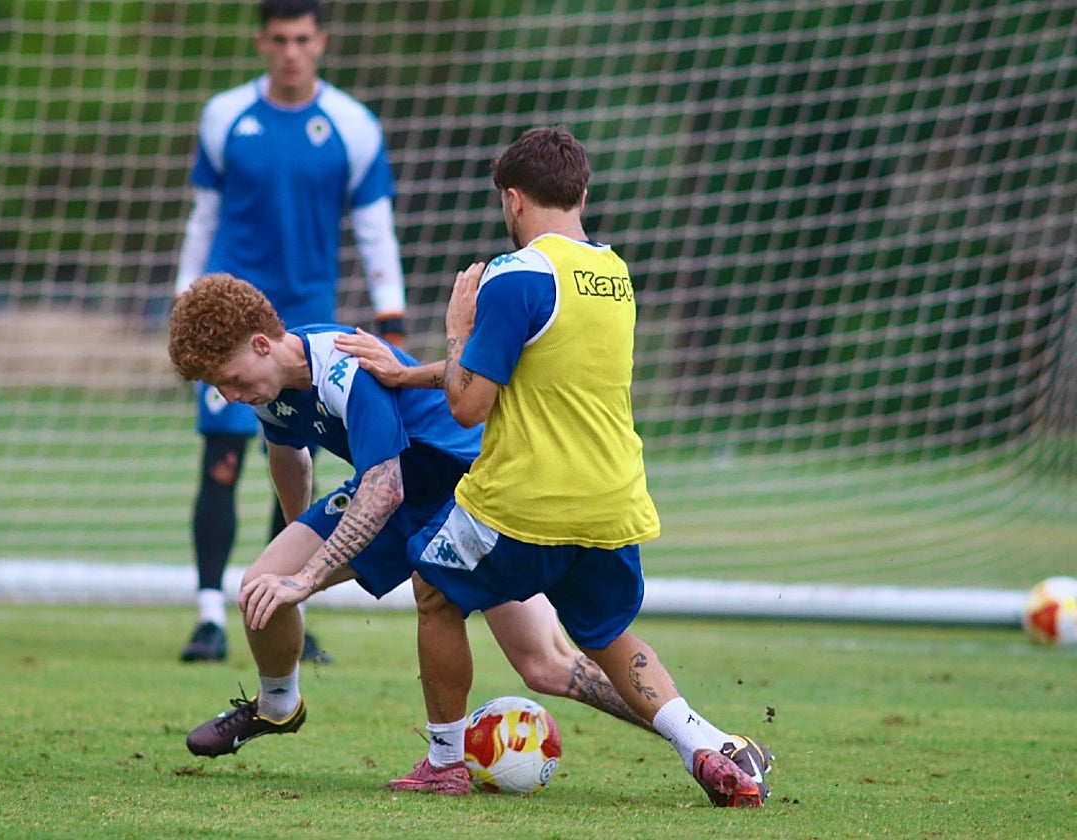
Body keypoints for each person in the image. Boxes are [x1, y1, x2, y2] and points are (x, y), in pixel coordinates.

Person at [338, 127, 773, 806]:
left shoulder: (515, 276)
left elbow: (469, 406)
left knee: (435, 590)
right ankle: (707, 751)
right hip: (611, 500)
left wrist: (457, 324)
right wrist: (410, 372)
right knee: (604, 634)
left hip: (524, 501)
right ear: (583, 193)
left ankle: (446, 760)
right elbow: (535, 372)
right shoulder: (614, 272)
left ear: (512, 199)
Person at [169, 273, 654, 791]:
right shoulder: (266, 387)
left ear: (262, 344)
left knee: (546, 667)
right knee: (262, 585)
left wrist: (309, 576)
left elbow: (384, 490)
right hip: (393, 488)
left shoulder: (341, 364)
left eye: (230, 379)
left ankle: (691, 736)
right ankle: (277, 706)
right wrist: (298, 545)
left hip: (467, 493)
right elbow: (290, 458)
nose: (229, 394)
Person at [172, 0, 407, 663]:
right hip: (224, 325)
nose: (291, 51)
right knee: (219, 465)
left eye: (302, 39)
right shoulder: (225, 117)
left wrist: (390, 314)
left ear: (321, 42)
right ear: (261, 43)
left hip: (301, 322)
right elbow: (204, 216)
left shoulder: (353, 126)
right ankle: (208, 615)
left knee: (294, 460)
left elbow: (373, 225)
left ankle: (283, 600)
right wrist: (183, 299)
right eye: (279, 39)